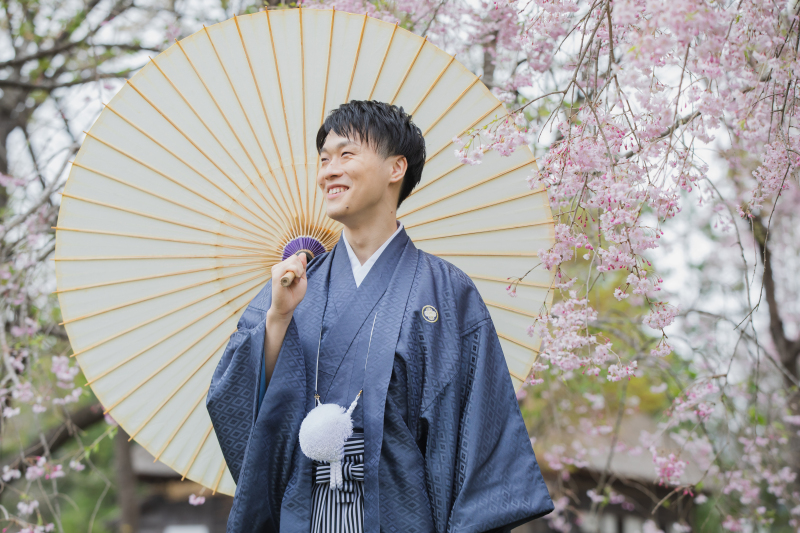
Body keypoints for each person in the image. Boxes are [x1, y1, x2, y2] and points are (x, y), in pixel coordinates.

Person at [206, 100, 554, 533]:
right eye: (324, 159)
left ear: (396, 168)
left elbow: (477, 428)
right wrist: (277, 318)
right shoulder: (293, 287)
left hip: (399, 515)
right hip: (304, 516)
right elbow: (235, 400)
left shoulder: (445, 290)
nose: (328, 171)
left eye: (346, 155)